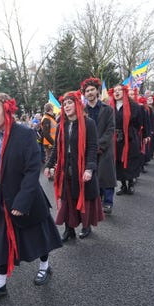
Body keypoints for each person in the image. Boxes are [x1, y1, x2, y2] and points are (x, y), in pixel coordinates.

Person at [0, 93, 62, 292]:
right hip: (2, 202)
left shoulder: (24, 133)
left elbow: (32, 171)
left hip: (27, 199)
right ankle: (0, 283)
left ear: (7, 109)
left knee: (38, 237)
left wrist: (22, 201)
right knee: (1, 242)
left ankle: (44, 267)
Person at [44, 91, 102, 241]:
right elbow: (57, 147)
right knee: (67, 200)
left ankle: (86, 226)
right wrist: (49, 165)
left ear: (77, 104)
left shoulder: (88, 123)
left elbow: (92, 147)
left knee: (83, 199)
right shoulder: (61, 125)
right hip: (65, 169)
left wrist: (89, 168)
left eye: (69, 103)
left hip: (82, 168)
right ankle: (69, 230)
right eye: (64, 104)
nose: (66, 106)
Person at [81, 77, 116, 214]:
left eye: (92, 90)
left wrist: (99, 145)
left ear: (97, 91)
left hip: (104, 148)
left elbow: (110, 129)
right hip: (88, 149)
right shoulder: (82, 111)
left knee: (106, 176)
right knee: (93, 176)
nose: (89, 93)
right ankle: (97, 200)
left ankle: (108, 202)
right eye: (87, 91)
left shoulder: (108, 109)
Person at [108, 85, 143, 195]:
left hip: (129, 137)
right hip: (115, 139)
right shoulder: (110, 107)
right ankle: (123, 185)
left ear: (124, 92)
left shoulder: (134, 106)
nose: (117, 92)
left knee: (130, 161)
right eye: (115, 91)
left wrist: (130, 132)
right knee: (118, 162)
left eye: (119, 90)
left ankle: (131, 183)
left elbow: (138, 122)